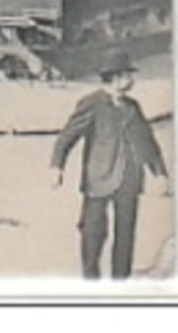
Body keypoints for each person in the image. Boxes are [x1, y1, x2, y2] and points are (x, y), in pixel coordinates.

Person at [50, 49, 170, 280]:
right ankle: (91, 284)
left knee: (125, 236)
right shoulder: (91, 104)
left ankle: (120, 286)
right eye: (128, 75)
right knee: (92, 234)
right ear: (115, 77)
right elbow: (67, 137)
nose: (131, 80)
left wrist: (160, 173)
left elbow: (148, 143)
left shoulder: (133, 107)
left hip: (129, 181)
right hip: (98, 180)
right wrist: (57, 167)